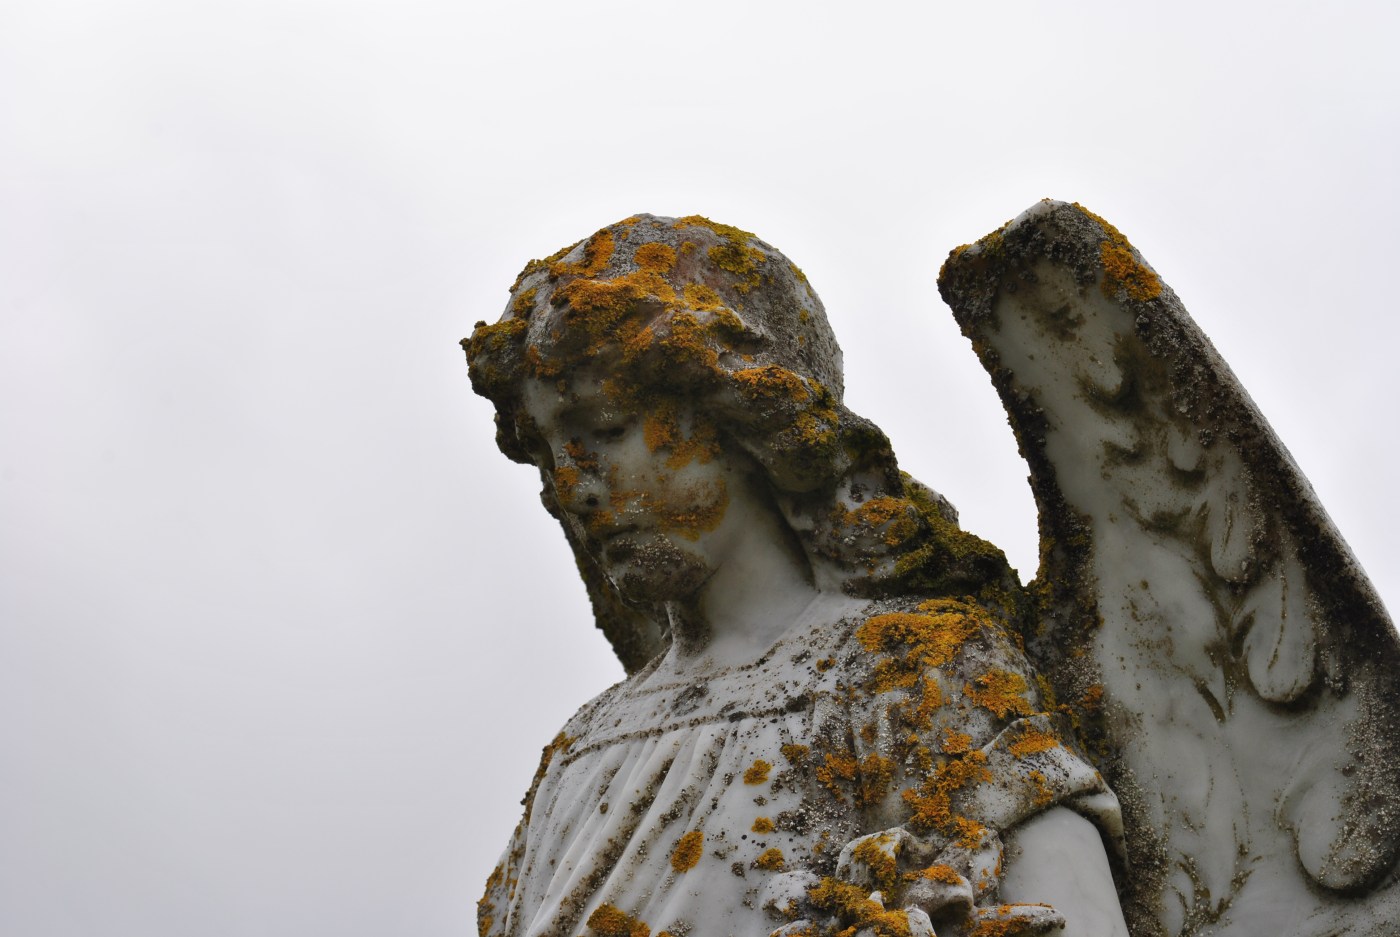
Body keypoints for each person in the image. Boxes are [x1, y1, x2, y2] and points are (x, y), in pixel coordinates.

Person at [464, 214, 1129, 937]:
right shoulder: (582, 745)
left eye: (605, 428)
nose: (573, 486)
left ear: (741, 417)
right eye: (547, 453)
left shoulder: (913, 679)